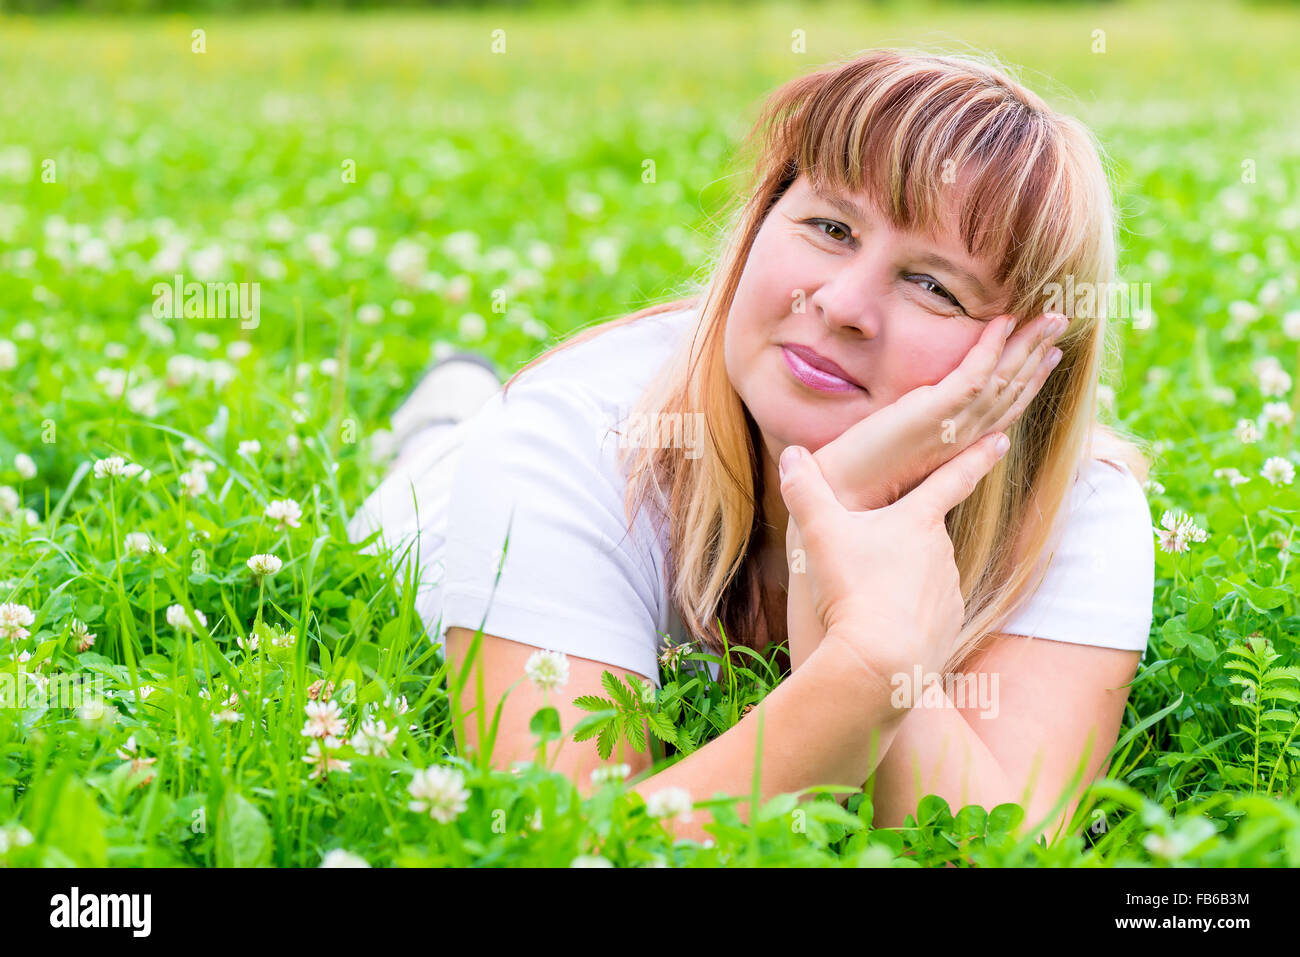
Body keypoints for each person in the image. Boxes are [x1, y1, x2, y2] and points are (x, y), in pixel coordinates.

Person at [348, 49, 1156, 847]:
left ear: (1026, 363)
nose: (842, 304)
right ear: (760, 222)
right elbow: (564, 842)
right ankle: (445, 410)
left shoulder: (1078, 514)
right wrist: (867, 668)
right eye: (831, 226)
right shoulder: (560, 440)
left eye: (934, 285)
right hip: (442, 495)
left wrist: (844, 533)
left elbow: (997, 847)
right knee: (445, 444)